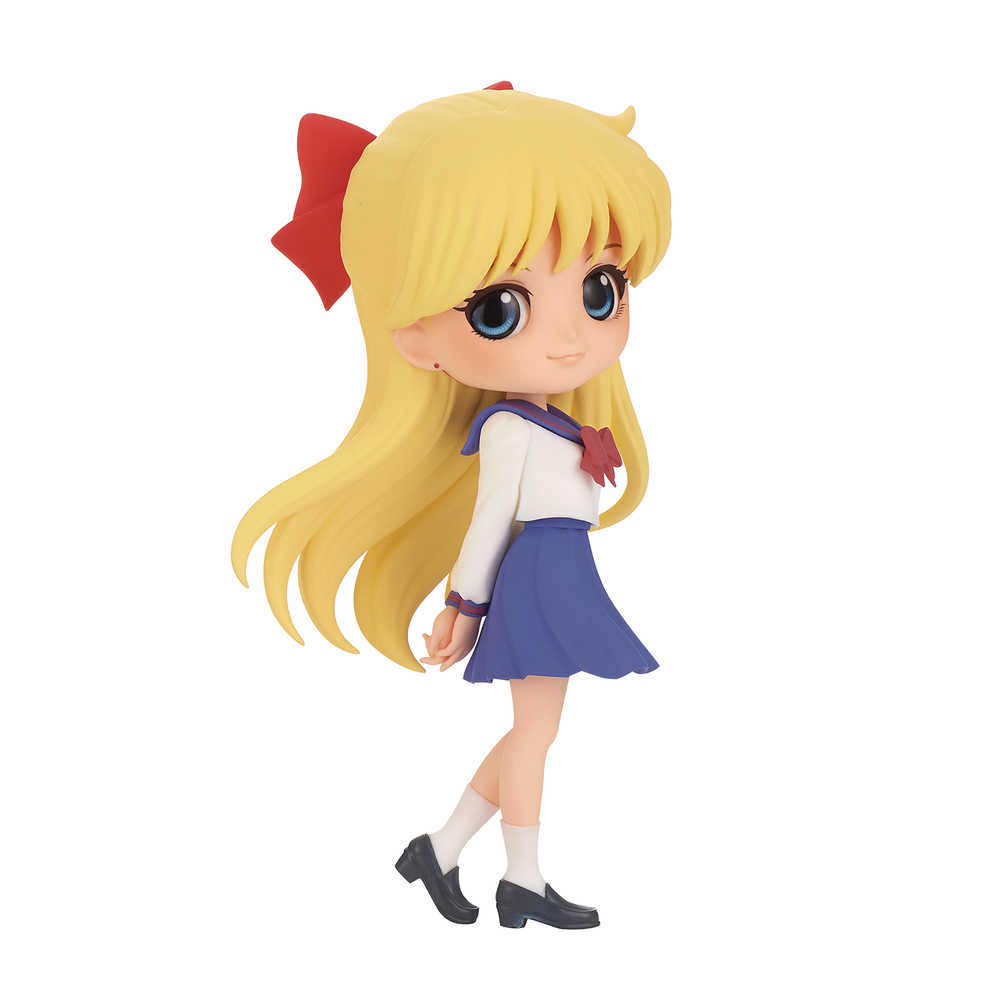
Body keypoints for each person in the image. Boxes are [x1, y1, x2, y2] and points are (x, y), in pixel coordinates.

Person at [233, 83, 671, 929]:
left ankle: (439, 852)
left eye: (600, 287)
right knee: (537, 735)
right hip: (540, 574)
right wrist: (464, 606)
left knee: (535, 731)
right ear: (416, 337)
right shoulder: (508, 428)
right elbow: (489, 519)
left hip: (561, 570)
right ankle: (521, 878)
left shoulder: (551, 419)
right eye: (502, 309)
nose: (571, 336)